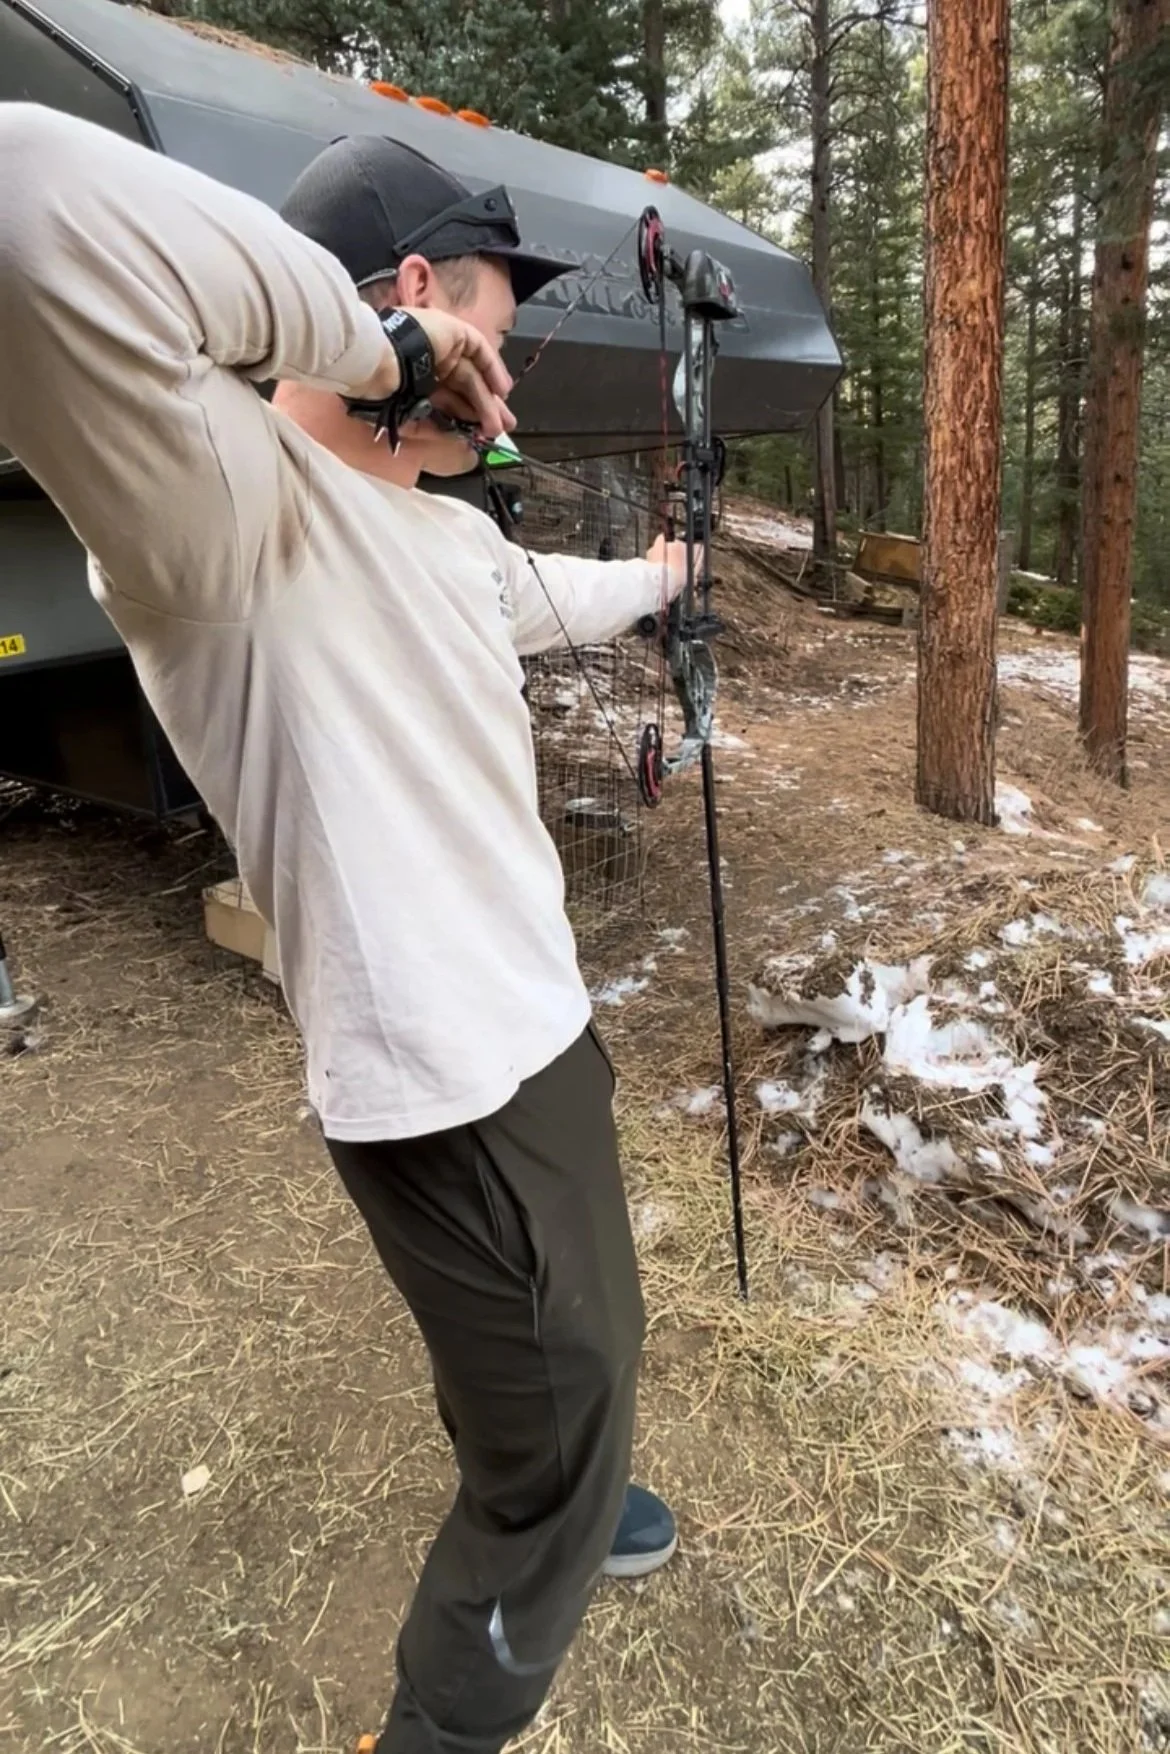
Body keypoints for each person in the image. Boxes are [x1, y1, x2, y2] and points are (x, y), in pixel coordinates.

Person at [0, 106, 685, 1754]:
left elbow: (546, 605)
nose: (498, 388)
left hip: (535, 1024)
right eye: (488, 344)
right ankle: (491, 1628)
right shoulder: (226, 512)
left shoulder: (446, 531)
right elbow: (20, 195)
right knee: (565, 1383)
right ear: (408, 298)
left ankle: (561, 1480)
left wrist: (660, 572)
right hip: (448, 1079)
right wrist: (381, 344)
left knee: (570, 1347)